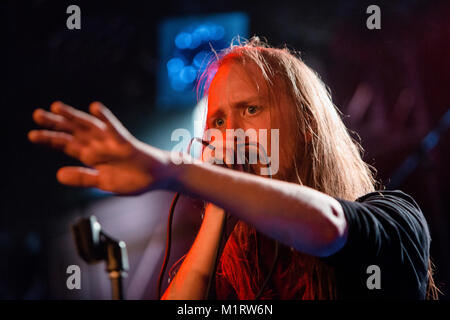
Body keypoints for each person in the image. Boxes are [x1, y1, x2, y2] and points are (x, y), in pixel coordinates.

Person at [28, 37, 438, 300]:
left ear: (309, 127)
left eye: (252, 109)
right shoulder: (235, 272)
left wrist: (176, 171)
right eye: (218, 121)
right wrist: (217, 204)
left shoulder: (395, 217)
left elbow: (329, 225)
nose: (229, 134)